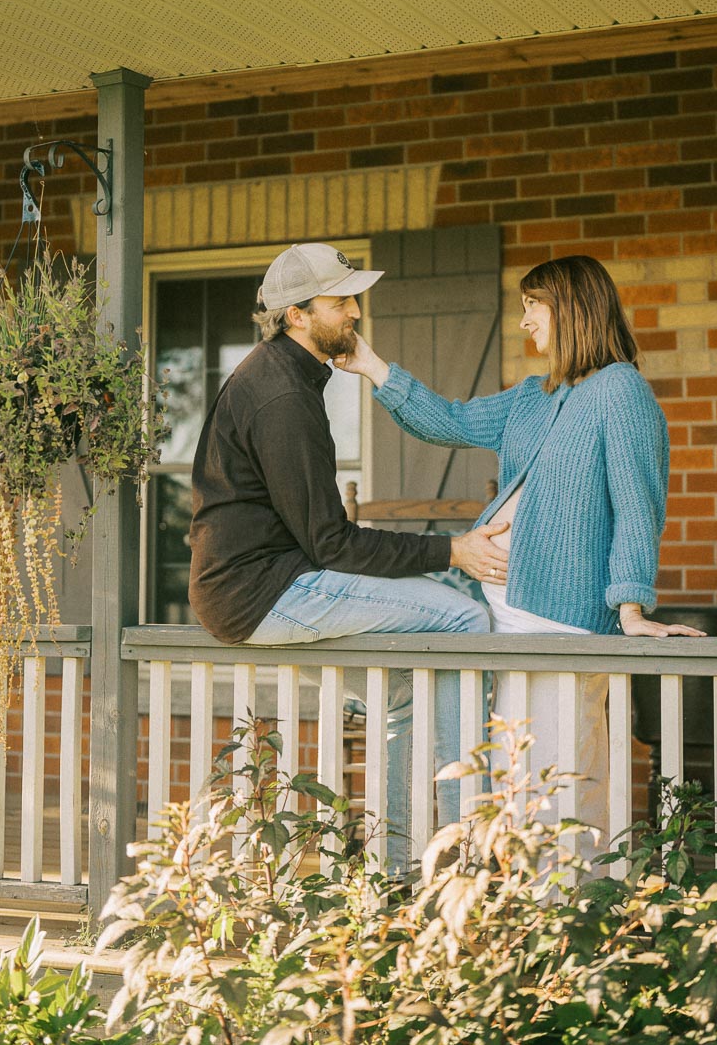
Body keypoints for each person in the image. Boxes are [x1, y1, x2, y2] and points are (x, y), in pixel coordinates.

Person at [336, 254, 705, 859]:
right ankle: (516, 910)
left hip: (560, 621)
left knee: (560, 778)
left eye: (534, 305)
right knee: (514, 775)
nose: (524, 320)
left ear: (572, 306)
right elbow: (446, 421)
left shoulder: (620, 390)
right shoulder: (535, 396)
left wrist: (631, 609)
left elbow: (639, 506)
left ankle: (574, 913)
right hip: (499, 613)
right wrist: (371, 365)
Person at [189, 242, 508, 872]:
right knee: (465, 618)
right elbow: (332, 543)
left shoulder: (283, 375)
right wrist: (454, 550)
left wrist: (363, 362)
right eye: (340, 302)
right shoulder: (281, 396)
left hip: (257, 585)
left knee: (402, 695)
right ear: (296, 315)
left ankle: (397, 869)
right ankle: (470, 854)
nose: (356, 311)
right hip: (268, 591)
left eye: (354, 297)